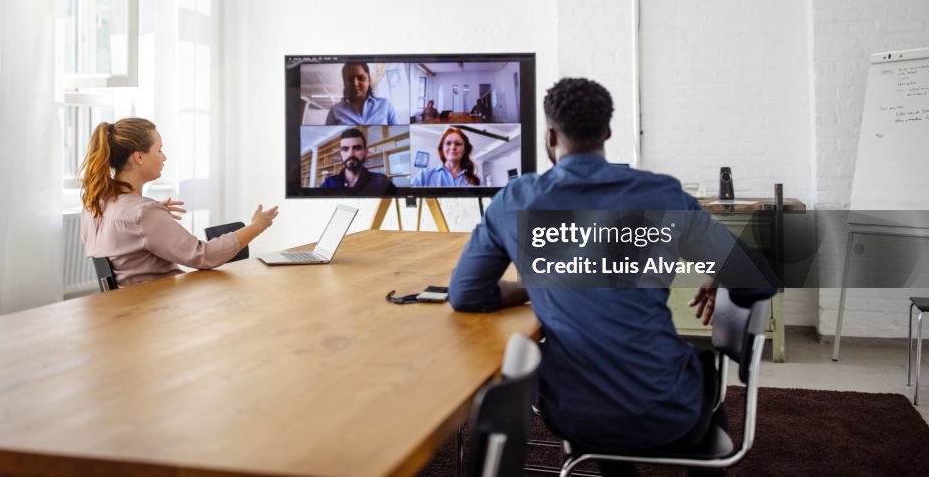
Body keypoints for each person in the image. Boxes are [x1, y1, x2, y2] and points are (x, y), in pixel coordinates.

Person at [447, 78, 776, 477]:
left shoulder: (515, 199)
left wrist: (529, 288)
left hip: (574, 415)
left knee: (597, 384)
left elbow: (465, 294)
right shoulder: (663, 194)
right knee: (704, 384)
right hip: (668, 411)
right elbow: (756, 279)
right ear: (607, 132)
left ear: (550, 135)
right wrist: (720, 273)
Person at [80, 118, 279, 287]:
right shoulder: (142, 214)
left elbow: (123, 242)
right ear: (139, 157)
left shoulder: (94, 204)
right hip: (162, 312)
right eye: (159, 150)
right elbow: (204, 256)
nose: (164, 157)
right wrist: (257, 226)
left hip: (129, 312)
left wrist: (153, 217)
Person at [319, 128, 397, 194]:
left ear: (365, 152)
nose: (351, 154)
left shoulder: (381, 182)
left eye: (357, 148)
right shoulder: (328, 185)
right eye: (345, 149)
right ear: (341, 154)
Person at [325, 62, 399, 126]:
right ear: (344, 82)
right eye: (349, 79)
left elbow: (398, 132)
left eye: (361, 78)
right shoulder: (335, 111)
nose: (355, 84)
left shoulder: (385, 105)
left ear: (369, 80)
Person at [410, 127, 480, 186]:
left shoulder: (473, 181)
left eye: (458, 144)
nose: (452, 147)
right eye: (448, 143)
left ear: (465, 149)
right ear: (442, 148)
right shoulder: (424, 175)